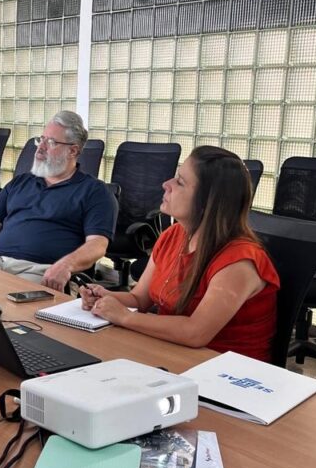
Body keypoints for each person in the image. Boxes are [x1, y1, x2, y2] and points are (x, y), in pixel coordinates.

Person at [82, 146, 279, 362]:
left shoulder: (239, 261)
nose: (166, 184)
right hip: (176, 353)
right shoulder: (174, 234)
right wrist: (104, 297)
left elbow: (195, 333)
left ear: (208, 203)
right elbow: (140, 298)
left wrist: (125, 317)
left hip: (225, 373)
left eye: (180, 182)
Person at [0, 111, 116, 291]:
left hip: (42, 270)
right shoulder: (21, 182)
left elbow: (97, 245)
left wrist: (66, 266)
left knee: (4, 296)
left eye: (51, 142)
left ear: (73, 150)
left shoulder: (94, 191)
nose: (40, 148)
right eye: (41, 140)